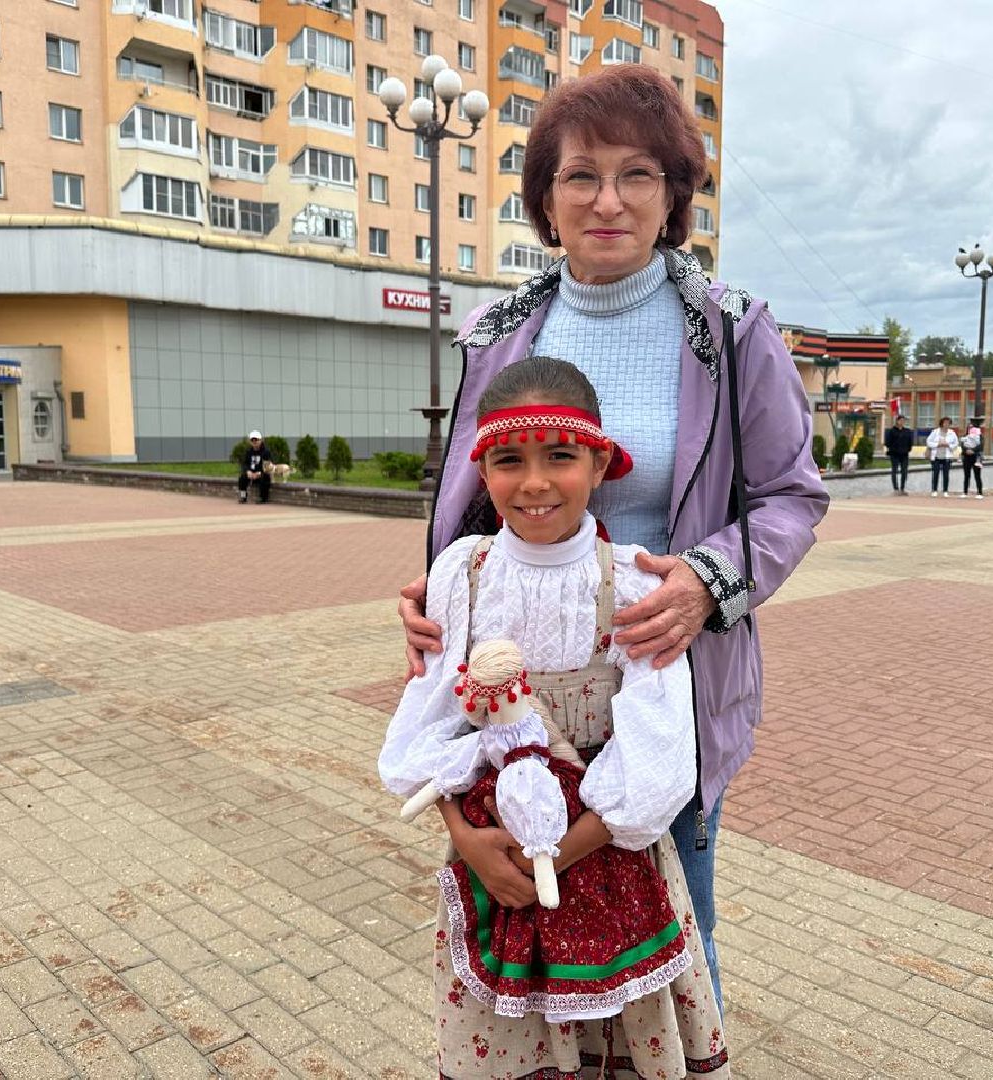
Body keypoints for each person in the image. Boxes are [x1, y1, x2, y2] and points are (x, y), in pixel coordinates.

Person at [395, 63, 828, 1018]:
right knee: (524, 931)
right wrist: (435, 596)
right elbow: (473, 498)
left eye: (638, 174)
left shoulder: (732, 330)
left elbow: (792, 497)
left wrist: (708, 582)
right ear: (545, 199)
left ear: (673, 197)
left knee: (674, 931)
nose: (608, 201)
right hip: (513, 689)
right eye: (581, 175)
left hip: (662, 676)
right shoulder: (499, 332)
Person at [380, 356, 727, 1077]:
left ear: (599, 464)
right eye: (509, 460)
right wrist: (470, 842)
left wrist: (558, 855)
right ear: (483, 471)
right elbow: (433, 722)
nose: (534, 483)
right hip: (490, 854)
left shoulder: (634, 582)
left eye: (560, 457)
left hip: (609, 861)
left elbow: (658, 751)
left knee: (617, 1031)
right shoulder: (462, 573)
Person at [926, 417, 959, 497]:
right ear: (942, 423)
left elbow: (956, 444)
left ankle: (945, 491)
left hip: (947, 456)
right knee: (935, 473)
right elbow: (928, 441)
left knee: (946, 474)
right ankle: (934, 490)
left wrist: (948, 445)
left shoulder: (952, 433)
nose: (946, 424)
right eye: (945, 423)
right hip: (936, 456)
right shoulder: (935, 432)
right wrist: (937, 444)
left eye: (948, 423)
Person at [237, 431, 271, 504]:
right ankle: (243, 496)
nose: (254, 442)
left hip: (261, 473)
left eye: (256, 440)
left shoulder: (266, 452)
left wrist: (259, 473)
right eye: (252, 440)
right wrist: (248, 471)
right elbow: (245, 464)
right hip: (251, 473)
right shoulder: (249, 452)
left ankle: (263, 498)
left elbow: (267, 466)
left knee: (265, 477)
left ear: (260, 440)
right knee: (242, 477)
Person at [884, 413, 913, 495]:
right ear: (897, 421)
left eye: (903, 420)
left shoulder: (907, 431)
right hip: (894, 454)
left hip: (904, 454)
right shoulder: (891, 431)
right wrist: (893, 447)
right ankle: (896, 489)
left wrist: (907, 449)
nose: (902, 422)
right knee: (894, 471)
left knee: (904, 471)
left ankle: (902, 488)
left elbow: (910, 442)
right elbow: (887, 442)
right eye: (901, 420)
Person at [960, 422, 984, 499]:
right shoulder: (965, 436)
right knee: (966, 475)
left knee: (977, 475)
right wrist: (966, 450)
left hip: (976, 457)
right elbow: (962, 445)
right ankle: (965, 492)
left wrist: (973, 450)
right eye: (969, 427)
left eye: (972, 427)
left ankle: (979, 493)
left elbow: (980, 446)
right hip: (966, 457)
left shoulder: (980, 436)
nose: (970, 429)